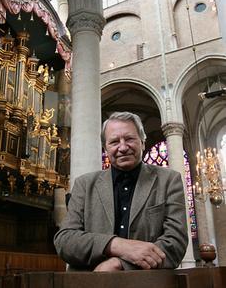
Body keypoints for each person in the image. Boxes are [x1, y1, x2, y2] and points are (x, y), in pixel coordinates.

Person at [54, 111, 188, 271]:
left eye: (130, 139)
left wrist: (119, 264)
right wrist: (116, 245)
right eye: (114, 142)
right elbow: (65, 240)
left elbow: (175, 242)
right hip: (90, 282)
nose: (123, 147)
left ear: (143, 142)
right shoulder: (84, 184)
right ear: (105, 148)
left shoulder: (168, 180)